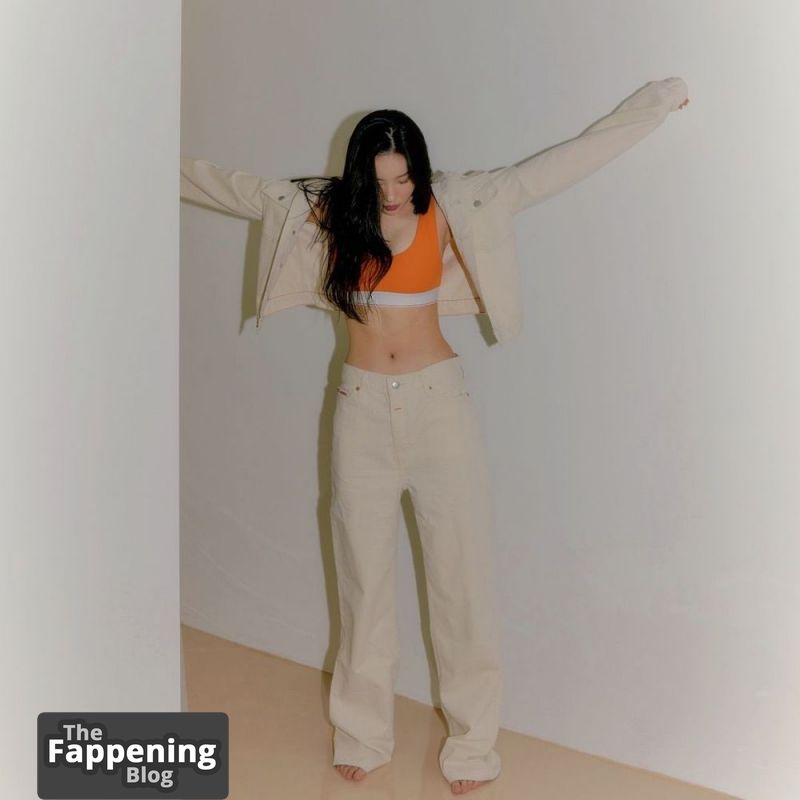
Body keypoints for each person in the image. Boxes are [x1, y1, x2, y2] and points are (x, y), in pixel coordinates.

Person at [180, 79, 689, 795]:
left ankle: (473, 746)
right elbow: (221, 184)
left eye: (404, 178)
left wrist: (656, 105)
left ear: (420, 170)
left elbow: (556, 166)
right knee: (363, 583)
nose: (394, 194)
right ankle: (363, 732)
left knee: (462, 585)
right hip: (359, 411)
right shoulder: (322, 210)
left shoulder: (457, 205)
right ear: (358, 175)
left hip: (439, 409)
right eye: (380, 180)